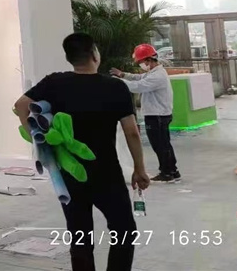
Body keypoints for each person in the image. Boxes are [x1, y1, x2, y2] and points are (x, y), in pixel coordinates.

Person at [14, 33, 150, 271]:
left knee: (80, 236)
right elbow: (131, 132)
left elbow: (20, 105)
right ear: (95, 55)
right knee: (124, 230)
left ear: (70, 58)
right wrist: (139, 169)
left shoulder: (54, 82)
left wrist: (38, 140)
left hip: (70, 173)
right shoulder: (114, 87)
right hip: (106, 172)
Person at [111, 44, 178, 182]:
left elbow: (138, 86)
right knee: (164, 144)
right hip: (159, 114)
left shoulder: (157, 76)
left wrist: (118, 82)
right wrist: (123, 75)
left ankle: (167, 173)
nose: (141, 65)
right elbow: (139, 78)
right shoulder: (154, 72)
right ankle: (172, 170)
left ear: (149, 60)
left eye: (141, 62)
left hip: (157, 116)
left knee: (160, 145)